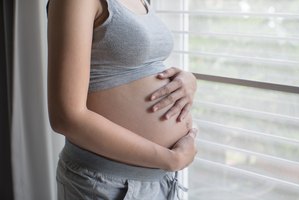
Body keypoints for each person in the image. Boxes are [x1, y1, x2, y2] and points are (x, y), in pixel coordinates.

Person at [46, 0, 198, 199]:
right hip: (105, 184)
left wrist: (188, 80)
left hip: (159, 180)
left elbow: (140, 63)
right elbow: (65, 117)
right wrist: (171, 158)